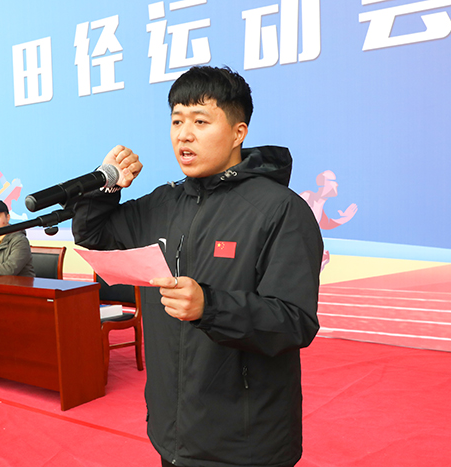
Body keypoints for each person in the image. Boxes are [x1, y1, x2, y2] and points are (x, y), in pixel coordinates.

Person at [72, 66, 322, 467]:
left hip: (245, 443)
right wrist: (108, 187)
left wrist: (210, 306)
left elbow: (294, 321)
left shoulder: (280, 210)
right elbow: (95, 235)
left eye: (200, 122)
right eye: (177, 121)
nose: (184, 135)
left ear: (238, 132)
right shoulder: (163, 203)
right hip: (172, 432)